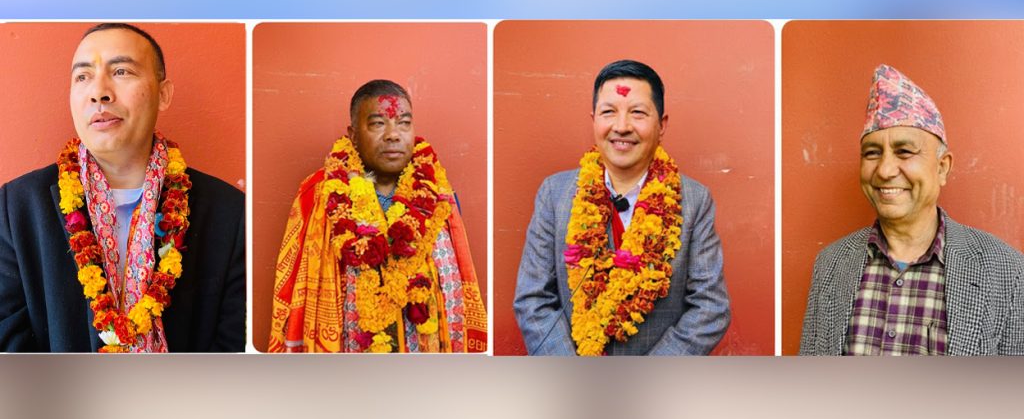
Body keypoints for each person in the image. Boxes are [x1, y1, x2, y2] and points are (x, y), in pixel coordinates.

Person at [0, 23, 245, 352]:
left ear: (163, 94)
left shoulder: (229, 214)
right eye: (83, 76)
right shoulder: (16, 209)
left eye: (121, 71)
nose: (98, 93)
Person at [800, 64, 1024, 355]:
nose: (885, 170)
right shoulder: (830, 264)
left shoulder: (1007, 271)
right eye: (872, 153)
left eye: (904, 151)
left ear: (942, 168)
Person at [513, 59, 730, 356]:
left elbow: (711, 308)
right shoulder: (555, 194)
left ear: (662, 125)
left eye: (637, 113)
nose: (622, 127)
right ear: (594, 120)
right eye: (609, 112)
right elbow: (532, 299)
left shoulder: (694, 200)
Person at [268, 80, 487, 353]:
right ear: (353, 135)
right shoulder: (319, 196)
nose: (393, 135)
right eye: (378, 124)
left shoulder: (439, 196)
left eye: (404, 123)